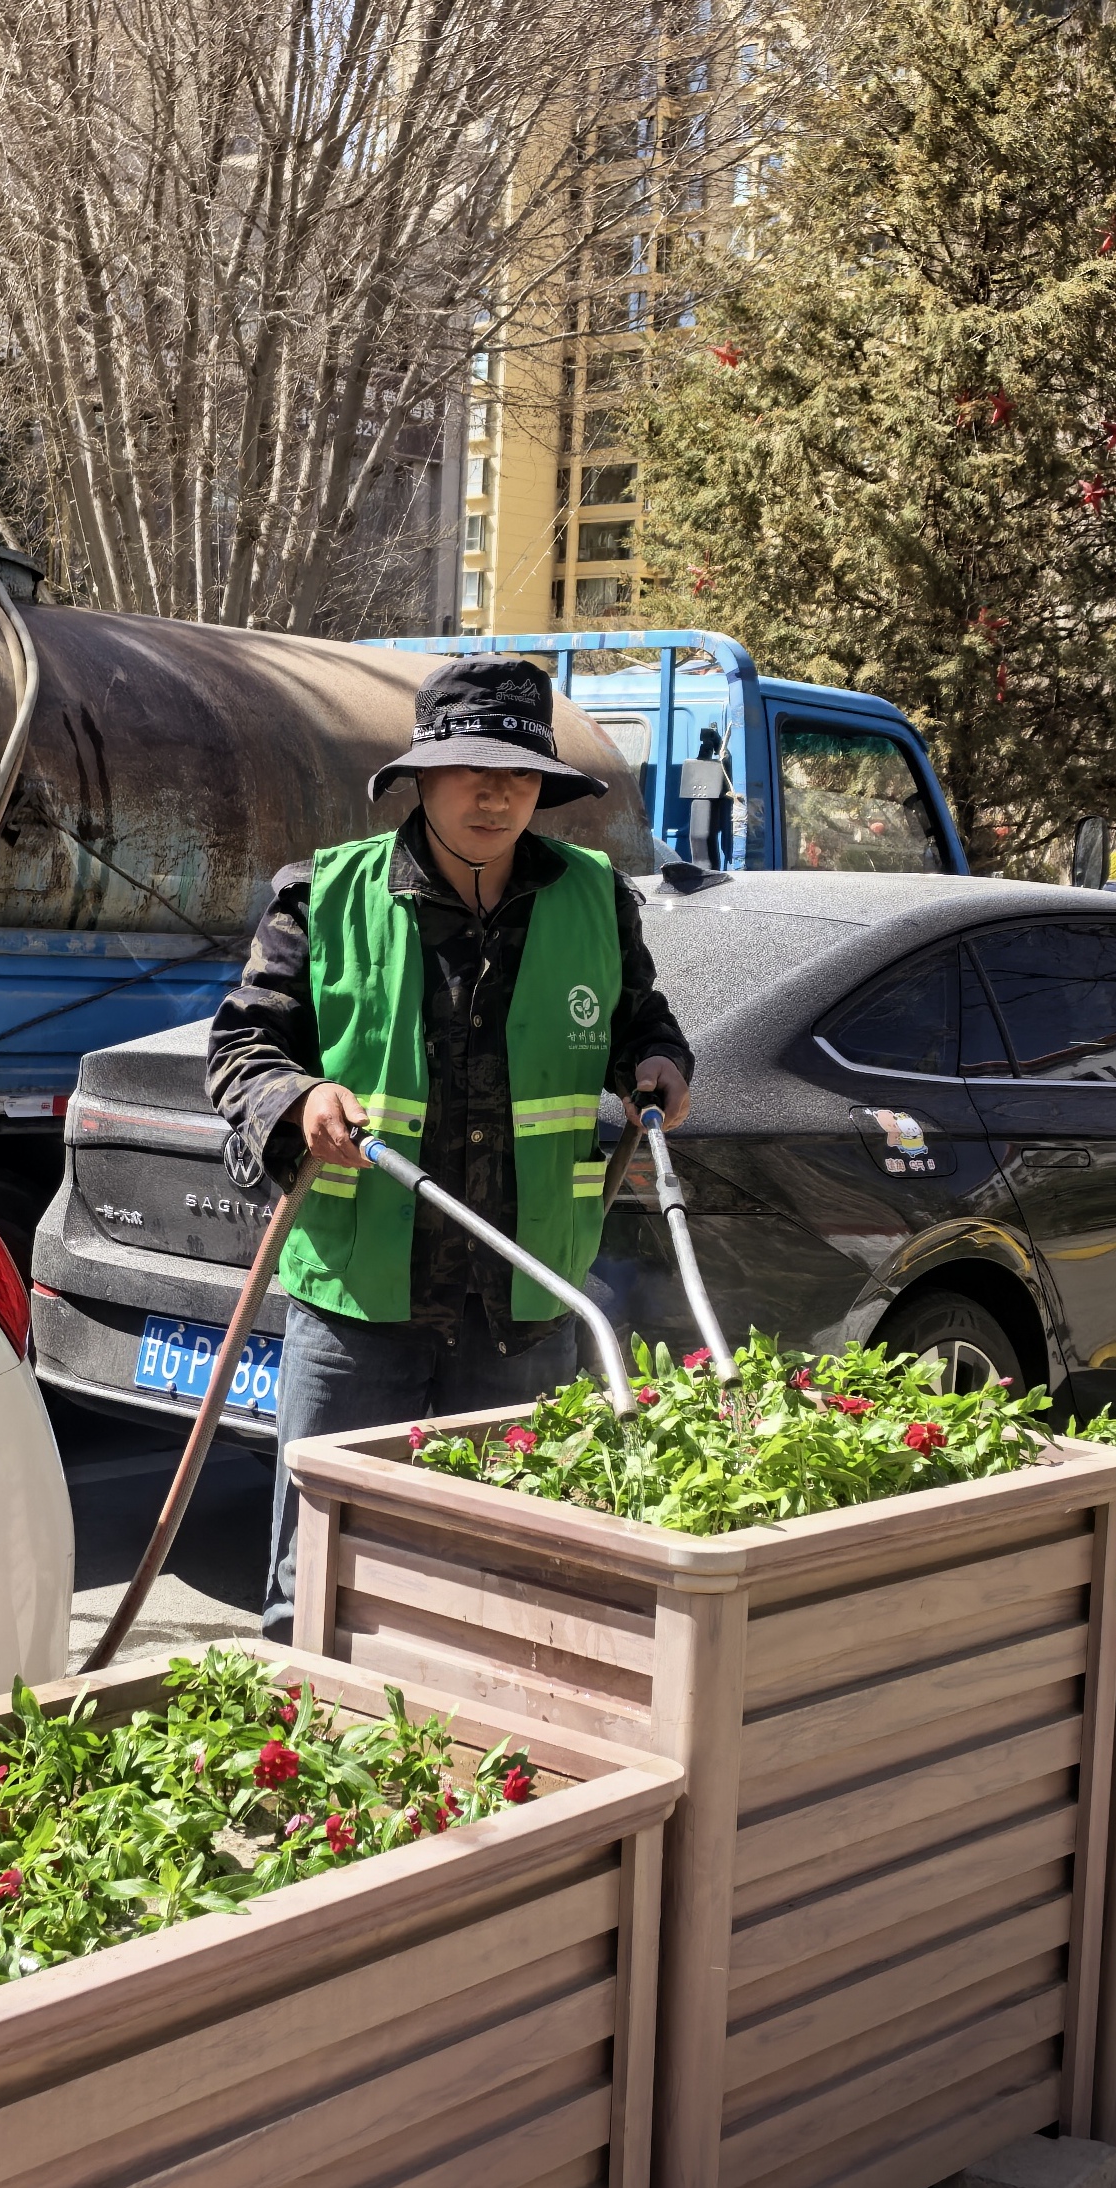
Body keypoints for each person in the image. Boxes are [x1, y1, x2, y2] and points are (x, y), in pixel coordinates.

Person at [210, 654, 694, 1643]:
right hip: (359, 1307)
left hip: (523, 1307)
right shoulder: (322, 895)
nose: (495, 795)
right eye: (471, 770)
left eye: (518, 775)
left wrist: (657, 1063)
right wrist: (297, 1099)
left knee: (501, 1577)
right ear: (422, 778)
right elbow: (242, 1049)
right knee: (321, 1576)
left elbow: (639, 1022)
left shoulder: (595, 898)